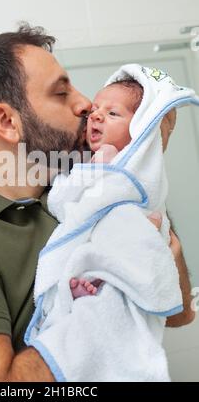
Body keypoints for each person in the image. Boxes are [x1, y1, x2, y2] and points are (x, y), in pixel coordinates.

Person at [0, 24, 194, 382]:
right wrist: (108, 301)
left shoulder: (88, 191)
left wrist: (142, 170)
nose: (86, 104)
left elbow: (177, 310)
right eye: (60, 92)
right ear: (7, 121)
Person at [70, 78, 143, 299]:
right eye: (94, 109)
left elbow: (80, 191)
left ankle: (93, 279)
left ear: (139, 126)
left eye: (112, 114)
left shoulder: (108, 154)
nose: (96, 115)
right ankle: (95, 280)